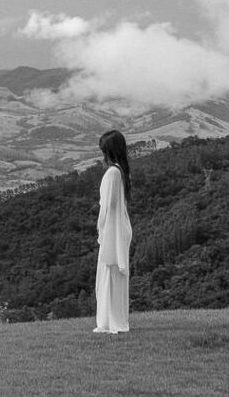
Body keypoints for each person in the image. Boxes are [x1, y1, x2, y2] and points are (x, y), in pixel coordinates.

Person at [94, 128, 132, 334]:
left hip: (113, 230)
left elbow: (107, 207)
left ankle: (110, 321)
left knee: (108, 273)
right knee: (115, 275)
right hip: (120, 229)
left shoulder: (112, 173)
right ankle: (115, 318)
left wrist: (100, 228)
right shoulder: (121, 171)